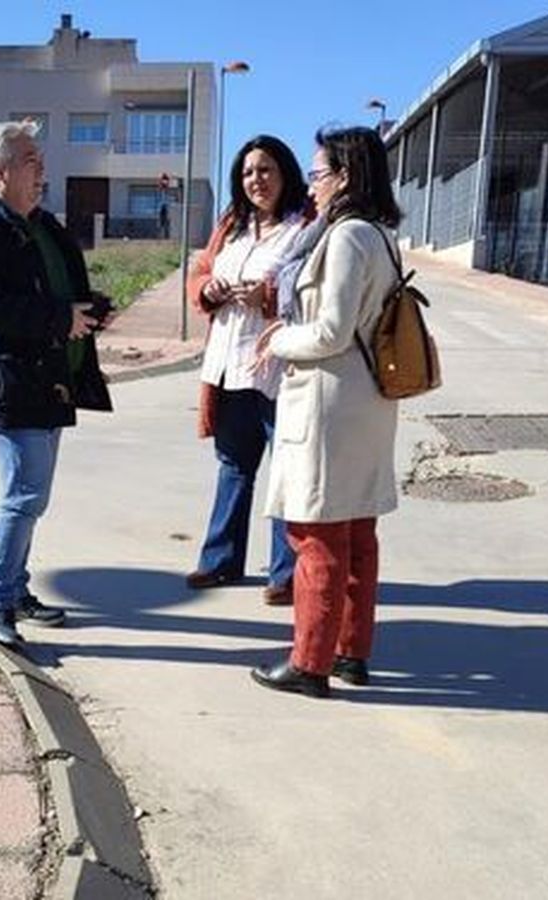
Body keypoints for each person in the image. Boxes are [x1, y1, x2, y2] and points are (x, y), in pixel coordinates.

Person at [248, 126, 403, 698]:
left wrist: (280, 338)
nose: (311, 185)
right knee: (358, 532)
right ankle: (351, 652)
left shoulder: (345, 238)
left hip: (330, 403)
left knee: (316, 534)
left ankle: (310, 662)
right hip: (367, 401)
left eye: (318, 174)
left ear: (345, 177)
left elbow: (331, 331)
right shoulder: (381, 235)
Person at [0, 120, 112, 646]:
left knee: (32, 498)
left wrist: (88, 310)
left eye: (40, 159)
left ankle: (15, 590)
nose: (42, 169)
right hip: (13, 381)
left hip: (51, 379)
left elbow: (56, 289)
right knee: (23, 496)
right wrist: (58, 318)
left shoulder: (42, 226)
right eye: (30, 160)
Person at [183, 135, 310, 604]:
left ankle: (286, 574)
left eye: (266, 169)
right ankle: (220, 561)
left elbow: (316, 287)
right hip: (230, 365)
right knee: (233, 465)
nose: (256, 180)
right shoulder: (232, 224)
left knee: (286, 470)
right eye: (248, 172)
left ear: (286, 173)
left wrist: (269, 296)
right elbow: (199, 271)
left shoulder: (305, 225)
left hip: (279, 366)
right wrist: (208, 289)